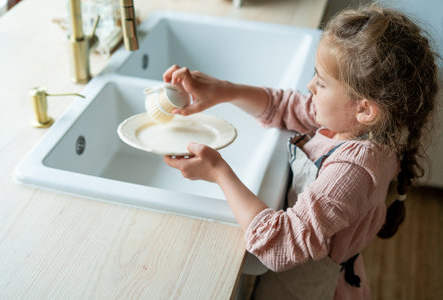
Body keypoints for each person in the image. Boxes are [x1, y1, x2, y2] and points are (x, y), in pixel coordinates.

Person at [162, 5, 439, 299]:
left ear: (365, 109)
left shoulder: (353, 169)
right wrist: (225, 90)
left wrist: (218, 172)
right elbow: (288, 107)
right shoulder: (359, 125)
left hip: (305, 290)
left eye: (320, 83)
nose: (310, 87)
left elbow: (280, 245)